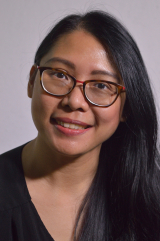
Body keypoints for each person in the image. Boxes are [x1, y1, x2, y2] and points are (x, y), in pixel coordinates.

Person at [0, 10, 160, 241]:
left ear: (126, 107)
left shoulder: (150, 200)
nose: (74, 101)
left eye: (102, 85)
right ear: (32, 81)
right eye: (60, 74)